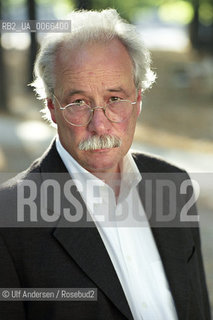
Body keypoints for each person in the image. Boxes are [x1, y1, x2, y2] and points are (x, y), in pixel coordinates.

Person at [0, 9, 211, 320]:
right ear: (52, 109)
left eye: (114, 99)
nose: (99, 125)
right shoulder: (9, 220)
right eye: (78, 103)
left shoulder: (175, 184)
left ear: (138, 100)